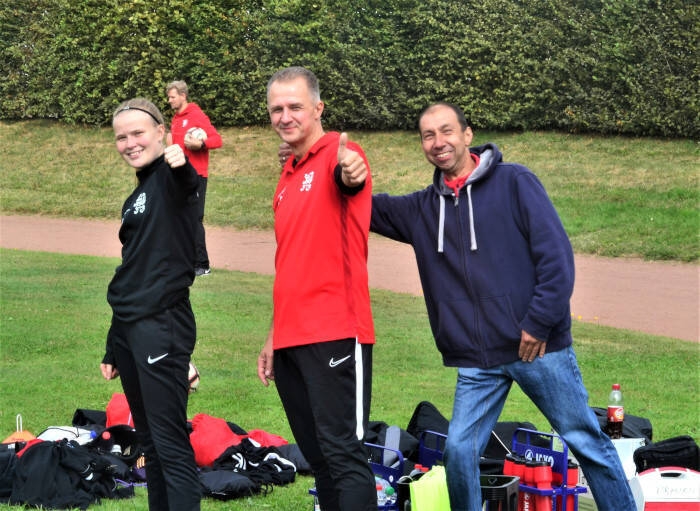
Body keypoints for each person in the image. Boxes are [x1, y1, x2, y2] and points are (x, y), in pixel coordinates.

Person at [369, 102, 637, 511]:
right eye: (428, 135)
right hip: (478, 360)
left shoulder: (515, 182)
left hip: (538, 348)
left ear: (467, 135)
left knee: (585, 441)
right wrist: (333, 171)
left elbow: (556, 258)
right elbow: (366, 207)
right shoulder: (423, 209)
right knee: (459, 452)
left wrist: (538, 323)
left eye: (446, 131)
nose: (438, 142)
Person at [256, 66, 377, 511]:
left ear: (318, 108)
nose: (285, 116)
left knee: (344, 455)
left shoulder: (339, 155)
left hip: (335, 330)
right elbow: (291, 262)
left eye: (295, 106)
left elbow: (351, 177)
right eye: (277, 109)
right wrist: (274, 334)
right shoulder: (288, 173)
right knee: (320, 459)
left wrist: (352, 171)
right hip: (291, 338)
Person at [101, 98, 202, 511]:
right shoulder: (136, 197)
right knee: (150, 442)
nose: (130, 143)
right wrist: (113, 343)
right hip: (131, 329)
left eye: (138, 133)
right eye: (121, 137)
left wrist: (182, 161)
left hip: (162, 325)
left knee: (170, 443)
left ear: (162, 131)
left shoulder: (170, 179)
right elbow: (131, 270)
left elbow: (188, 184)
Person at [166, 80, 223, 277]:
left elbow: (217, 140)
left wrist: (201, 144)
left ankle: (202, 264)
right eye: (169, 97)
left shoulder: (197, 115)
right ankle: (184, 260)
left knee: (194, 218)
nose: (169, 100)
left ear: (183, 96)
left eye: (172, 97)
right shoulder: (175, 119)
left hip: (196, 175)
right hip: (178, 174)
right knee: (179, 218)